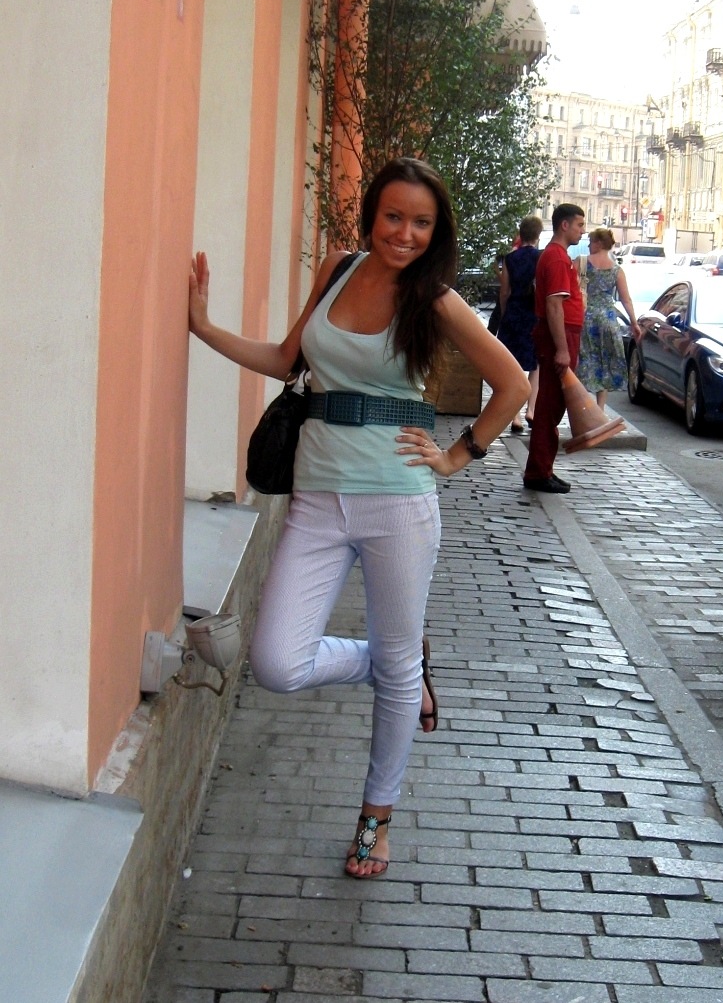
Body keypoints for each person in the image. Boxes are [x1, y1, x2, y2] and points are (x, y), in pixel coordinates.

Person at [188, 157, 529, 879]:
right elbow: (285, 359)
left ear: (435, 232)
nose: (404, 233)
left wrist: (455, 456)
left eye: (421, 222)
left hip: (398, 501)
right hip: (316, 499)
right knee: (277, 663)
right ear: (371, 215)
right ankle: (396, 665)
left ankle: (376, 818)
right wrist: (203, 327)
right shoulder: (338, 270)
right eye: (393, 216)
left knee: (396, 667)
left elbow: (512, 385)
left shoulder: (434, 300)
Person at [522, 203, 585, 494]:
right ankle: (538, 471)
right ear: (564, 225)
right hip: (559, 337)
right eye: (579, 225)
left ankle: (544, 467)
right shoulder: (557, 258)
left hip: (560, 335)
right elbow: (554, 305)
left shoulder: (555, 255)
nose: (582, 231)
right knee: (550, 404)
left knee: (553, 404)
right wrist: (562, 349)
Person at [575, 228, 641, 409]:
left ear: (598, 243)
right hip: (608, 319)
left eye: (590, 242)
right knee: (604, 361)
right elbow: (626, 300)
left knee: (585, 358)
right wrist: (634, 323)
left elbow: (571, 288)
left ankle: (582, 405)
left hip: (585, 317)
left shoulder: (581, 262)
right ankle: (600, 408)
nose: (588, 246)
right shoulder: (617, 270)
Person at [496, 215, 543, 432]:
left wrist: (505, 312)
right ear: (537, 235)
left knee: (512, 364)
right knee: (535, 365)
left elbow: (504, 290)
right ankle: (530, 410)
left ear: (521, 234)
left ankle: (515, 416)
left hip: (514, 313)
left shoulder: (510, 258)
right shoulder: (541, 257)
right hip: (533, 314)